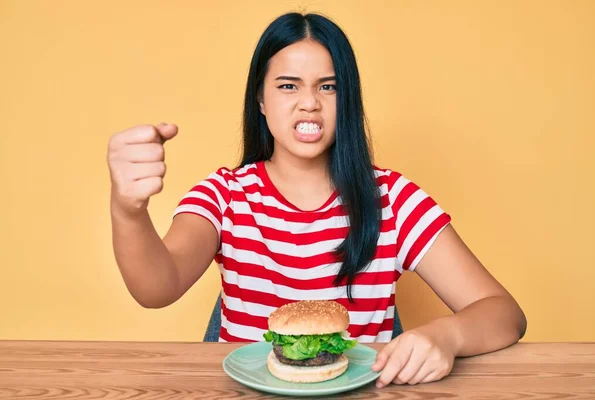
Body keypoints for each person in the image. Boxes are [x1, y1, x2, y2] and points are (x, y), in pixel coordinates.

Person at [107, 12, 527, 387]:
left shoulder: (393, 200)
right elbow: (155, 288)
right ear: (260, 99)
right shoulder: (225, 196)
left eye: (328, 87)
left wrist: (446, 336)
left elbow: (504, 313)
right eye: (288, 86)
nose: (309, 103)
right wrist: (129, 210)